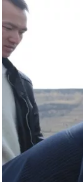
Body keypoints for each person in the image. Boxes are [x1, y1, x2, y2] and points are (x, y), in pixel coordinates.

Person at [2, 0, 42, 165]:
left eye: (21, 32)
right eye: (8, 28)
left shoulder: (21, 84)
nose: (16, 39)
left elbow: (33, 143)